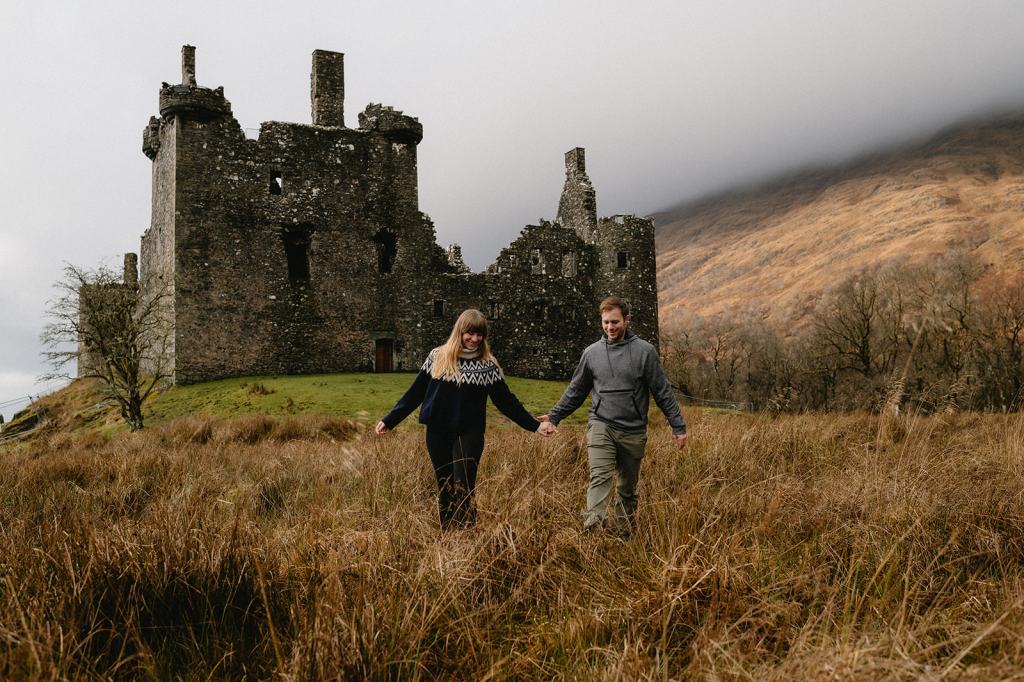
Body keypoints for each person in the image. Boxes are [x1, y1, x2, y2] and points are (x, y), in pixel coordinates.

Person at [376, 308, 555, 529]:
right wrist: (390, 419)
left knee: (464, 485)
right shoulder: (437, 357)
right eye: (470, 333)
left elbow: (507, 402)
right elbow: (415, 393)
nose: (474, 339)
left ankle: (466, 535)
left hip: (469, 433)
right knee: (445, 485)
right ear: (459, 332)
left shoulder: (487, 365)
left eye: (480, 335)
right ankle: (448, 536)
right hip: (437, 431)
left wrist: (535, 426)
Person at [541, 296, 687, 534]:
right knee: (599, 476)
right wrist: (554, 416)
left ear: (626, 320)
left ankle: (623, 532)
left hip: (633, 430)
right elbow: (576, 391)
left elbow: (662, 392)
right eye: (606, 322)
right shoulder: (591, 354)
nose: (610, 327)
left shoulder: (645, 352)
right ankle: (593, 526)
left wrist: (678, 427)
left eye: (615, 322)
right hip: (602, 425)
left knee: (627, 488)